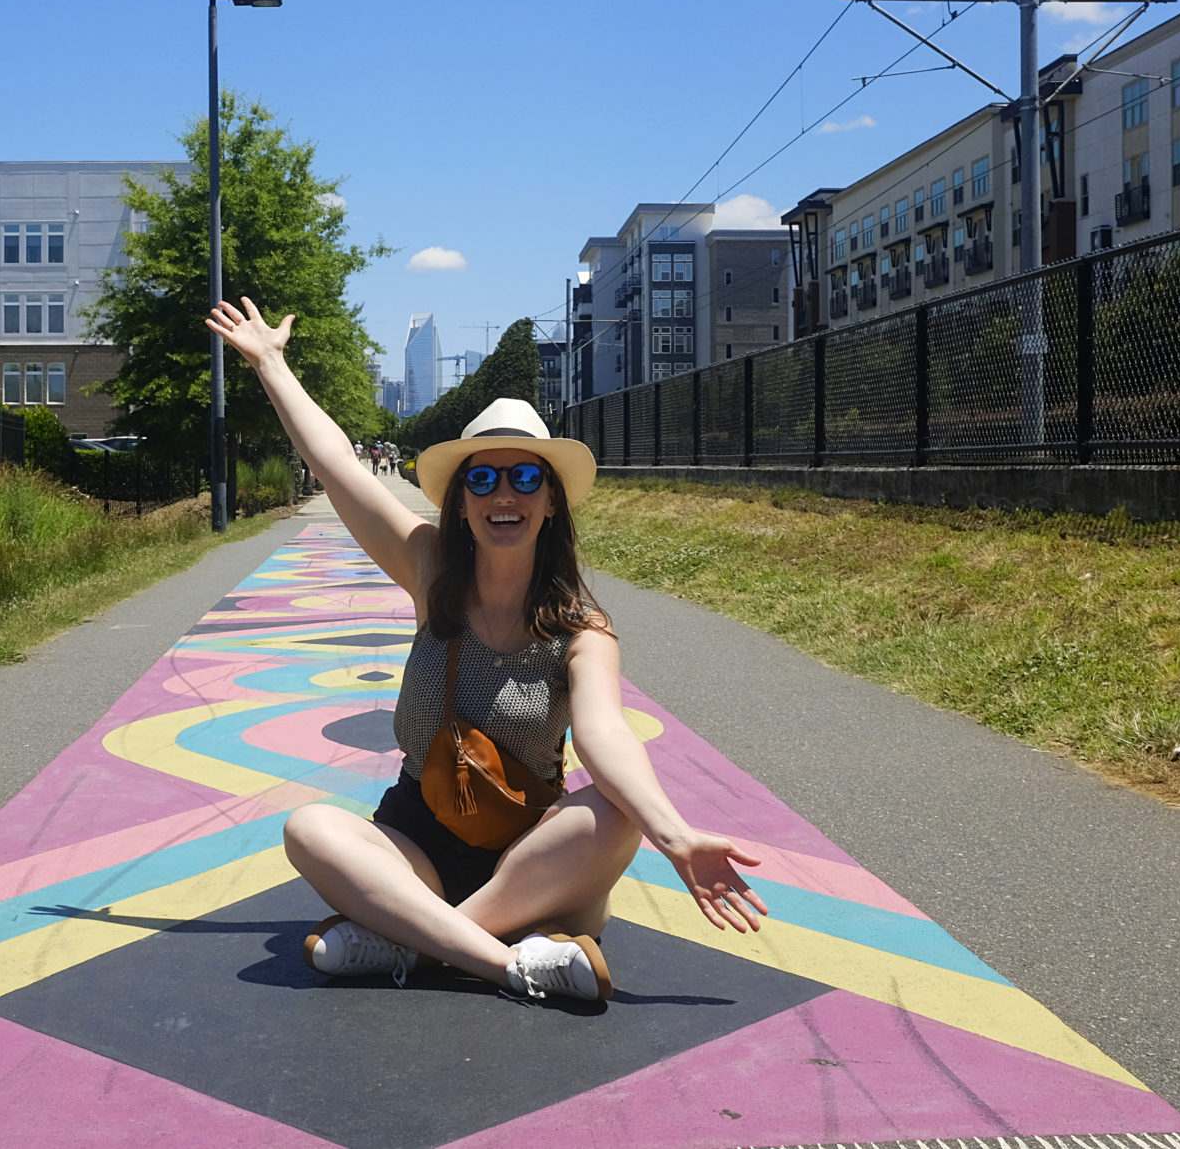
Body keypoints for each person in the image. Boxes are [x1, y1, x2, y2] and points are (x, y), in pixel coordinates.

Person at [207, 298, 770, 1003]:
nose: (504, 493)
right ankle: (507, 961)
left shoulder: (582, 629)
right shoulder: (430, 569)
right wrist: (270, 364)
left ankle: (412, 940)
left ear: (552, 500)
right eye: (483, 478)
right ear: (463, 502)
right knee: (309, 827)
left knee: (617, 813)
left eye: (526, 476)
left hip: (529, 860)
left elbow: (603, 735)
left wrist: (676, 834)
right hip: (417, 843)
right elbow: (335, 465)